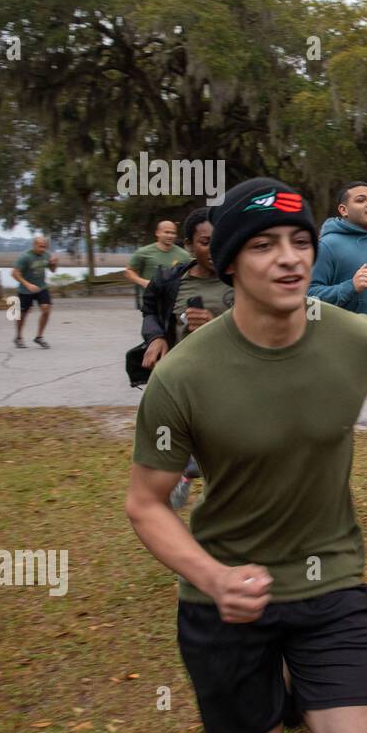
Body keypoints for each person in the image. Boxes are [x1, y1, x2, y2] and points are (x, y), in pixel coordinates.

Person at [126, 177, 367, 733]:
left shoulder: (356, 339)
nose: (289, 259)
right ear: (231, 263)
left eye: (299, 241)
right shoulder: (184, 375)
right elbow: (145, 504)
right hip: (227, 600)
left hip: (329, 584)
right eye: (263, 245)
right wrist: (213, 578)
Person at [306, 182, 367, 504]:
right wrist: (349, 287)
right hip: (341, 348)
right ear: (343, 210)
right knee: (334, 428)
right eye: (362, 200)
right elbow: (309, 298)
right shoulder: (328, 246)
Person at [140, 207, 234, 511]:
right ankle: (185, 472)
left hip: (231, 381)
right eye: (206, 242)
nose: (215, 248)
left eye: (221, 240)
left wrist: (214, 326)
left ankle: (202, 490)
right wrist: (155, 337)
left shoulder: (243, 279)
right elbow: (150, 307)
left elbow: (262, 328)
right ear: (190, 246)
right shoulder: (171, 280)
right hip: (184, 386)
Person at [125, 220, 192, 311]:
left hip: (175, 304)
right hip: (151, 304)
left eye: (173, 233)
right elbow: (129, 271)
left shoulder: (184, 255)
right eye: (166, 232)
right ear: (157, 233)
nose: (170, 236)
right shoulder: (143, 252)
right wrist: (143, 282)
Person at [11, 235, 58, 349]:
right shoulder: (25, 257)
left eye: (45, 247)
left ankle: (39, 337)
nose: (43, 249)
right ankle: (18, 337)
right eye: (40, 246)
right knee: (23, 315)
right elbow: (14, 273)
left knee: (46, 309)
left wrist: (54, 263)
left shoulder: (45, 255)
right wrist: (27, 284)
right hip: (25, 290)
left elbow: (53, 270)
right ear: (34, 245)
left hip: (41, 287)